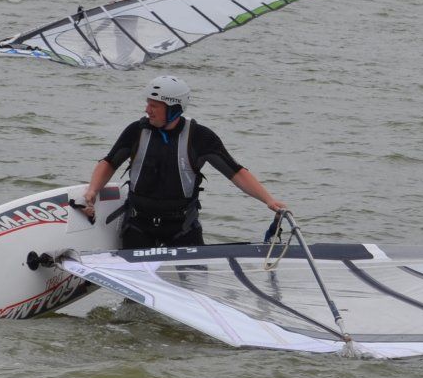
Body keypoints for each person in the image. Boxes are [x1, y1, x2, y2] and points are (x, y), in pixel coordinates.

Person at [81, 75, 286, 249]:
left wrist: (269, 200)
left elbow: (236, 173)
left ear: (174, 108)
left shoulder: (200, 137)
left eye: (154, 106)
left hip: (182, 229)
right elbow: (109, 163)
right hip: (138, 226)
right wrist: (92, 190)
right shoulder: (136, 131)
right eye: (148, 104)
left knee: (196, 282)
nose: (147, 110)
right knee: (133, 286)